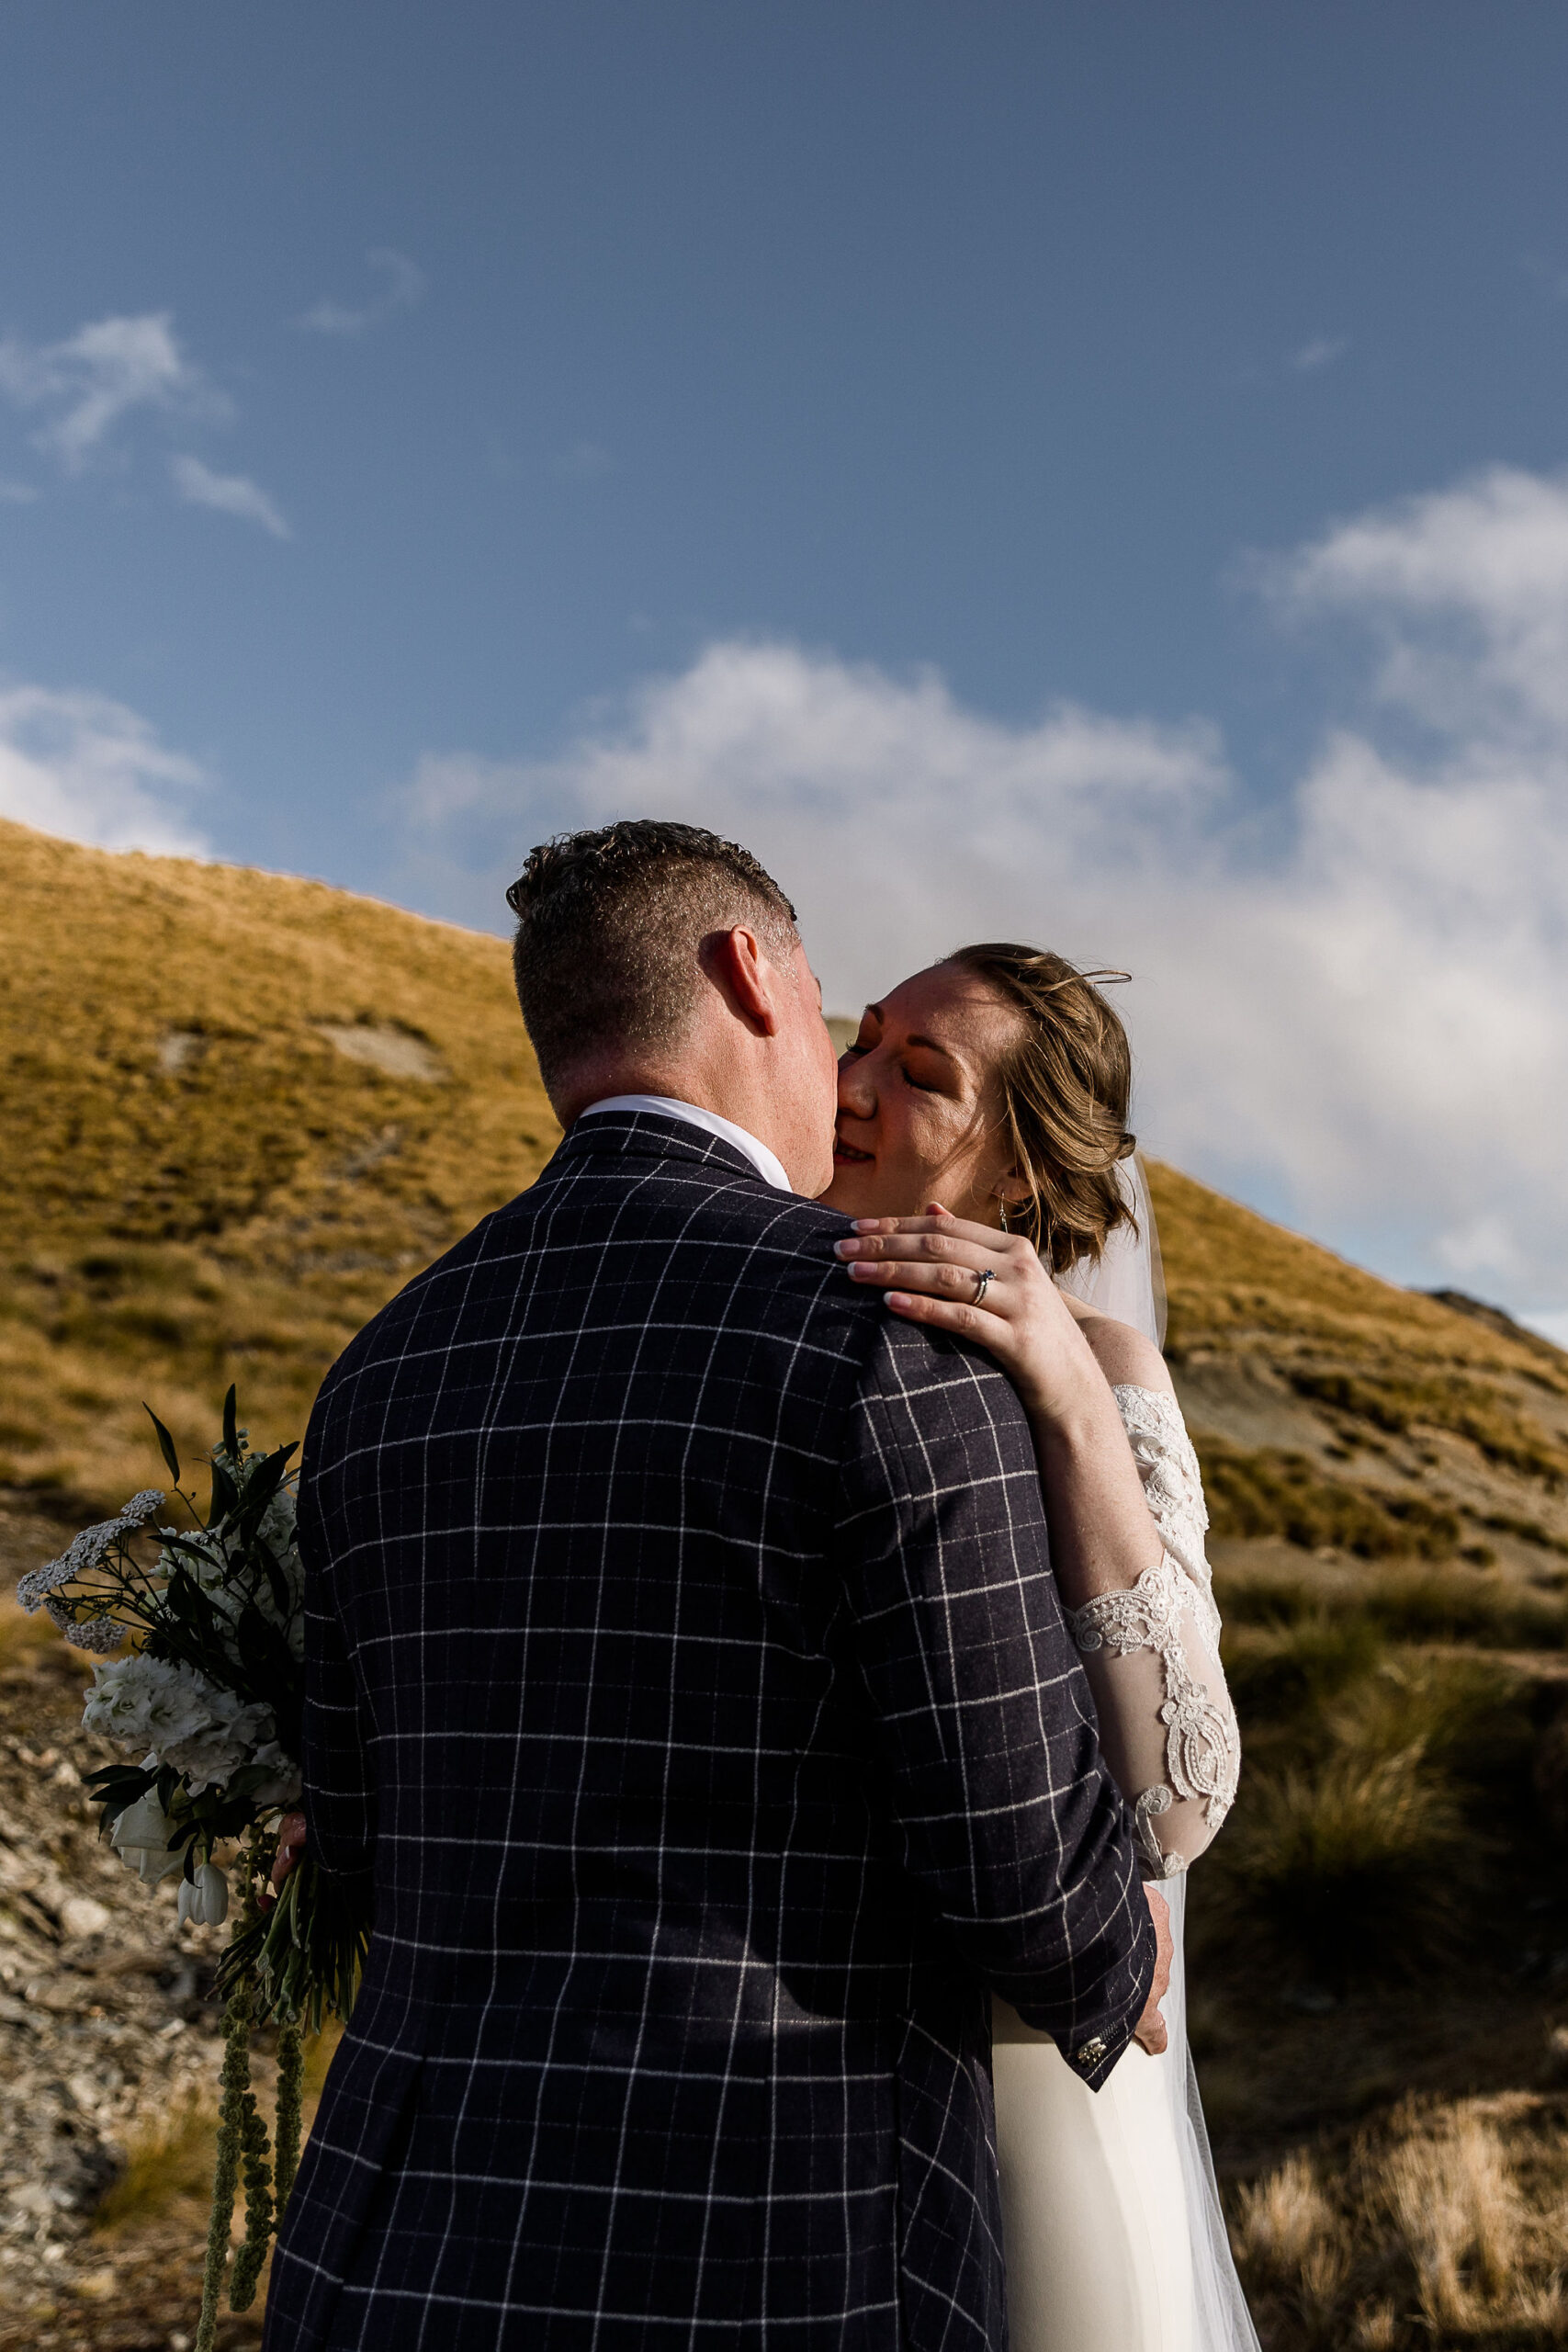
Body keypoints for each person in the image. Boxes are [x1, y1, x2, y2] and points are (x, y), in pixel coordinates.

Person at [263, 821, 1168, 2352]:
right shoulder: (886, 1335)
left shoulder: (378, 1370)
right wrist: (1119, 1945)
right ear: (755, 973)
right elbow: (1024, 1880)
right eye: (832, 1003)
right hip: (763, 2244)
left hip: (392, 2250)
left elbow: (345, 1842)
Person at [821, 943, 1257, 2352]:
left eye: (920, 1075)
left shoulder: (1102, 1369)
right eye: (865, 1039)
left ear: (1015, 1175)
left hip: (1037, 2056)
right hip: (802, 2056)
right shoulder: (751, 1299)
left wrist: (1070, 1392)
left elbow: (1180, 1791)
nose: (853, 1083)